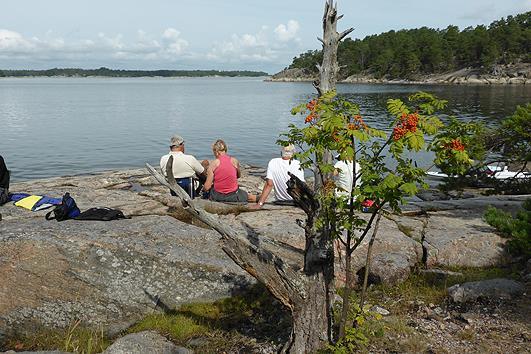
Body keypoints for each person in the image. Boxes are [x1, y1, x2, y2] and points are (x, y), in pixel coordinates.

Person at [160, 134, 206, 198]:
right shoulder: (190, 158)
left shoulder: (163, 159)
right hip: (189, 188)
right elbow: (203, 173)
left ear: (170, 147)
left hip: (173, 188)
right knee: (204, 167)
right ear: (181, 146)